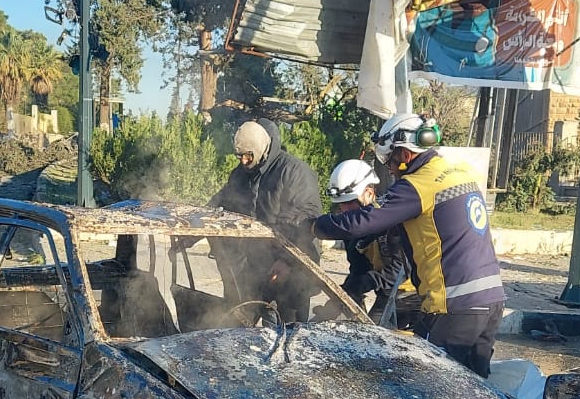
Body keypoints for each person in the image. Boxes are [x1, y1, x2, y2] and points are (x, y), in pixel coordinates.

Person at [312, 114, 504, 376]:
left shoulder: (418, 184)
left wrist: (313, 226)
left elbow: (366, 220)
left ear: (404, 154)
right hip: (491, 299)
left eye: (389, 160)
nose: (389, 168)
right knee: (480, 392)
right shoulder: (459, 172)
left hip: (455, 305)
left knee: (432, 386)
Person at [210, 117, 323, 320]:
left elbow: (306, 223)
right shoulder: (240, 175)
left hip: (290, 274)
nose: (244, 161)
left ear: (261, 148)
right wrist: (191, 231)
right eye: (240, 157)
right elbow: (220, 203)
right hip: (253, 273)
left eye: (248, 156)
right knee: (241, 336)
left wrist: (287, 261)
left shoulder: (294, 172)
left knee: (288, 336)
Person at [325, 158, 412, 325]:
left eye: (349, 203)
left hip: (410, 296)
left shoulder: (391, 220)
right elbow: (358, 270)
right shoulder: (352, 229)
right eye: (341, 204)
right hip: (386, 292)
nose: (344, 210)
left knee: (375, 338)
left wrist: (366, 282)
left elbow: (399, 271)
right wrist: (341, 298)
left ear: (369, 193)